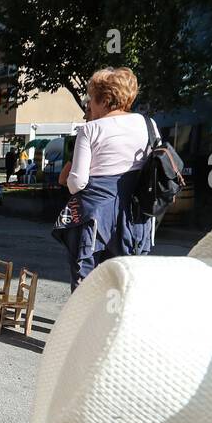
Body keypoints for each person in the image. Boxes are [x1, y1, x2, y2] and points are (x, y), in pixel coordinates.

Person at [55, 67, 154, 289]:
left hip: (96, 217)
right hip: (135, 218)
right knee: (124, 282)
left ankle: (85, 324)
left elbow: (76, 183)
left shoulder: (91, 129)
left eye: (91, 99)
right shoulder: (149, 125)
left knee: (87, 287)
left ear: (105, 99)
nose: (89, 105)